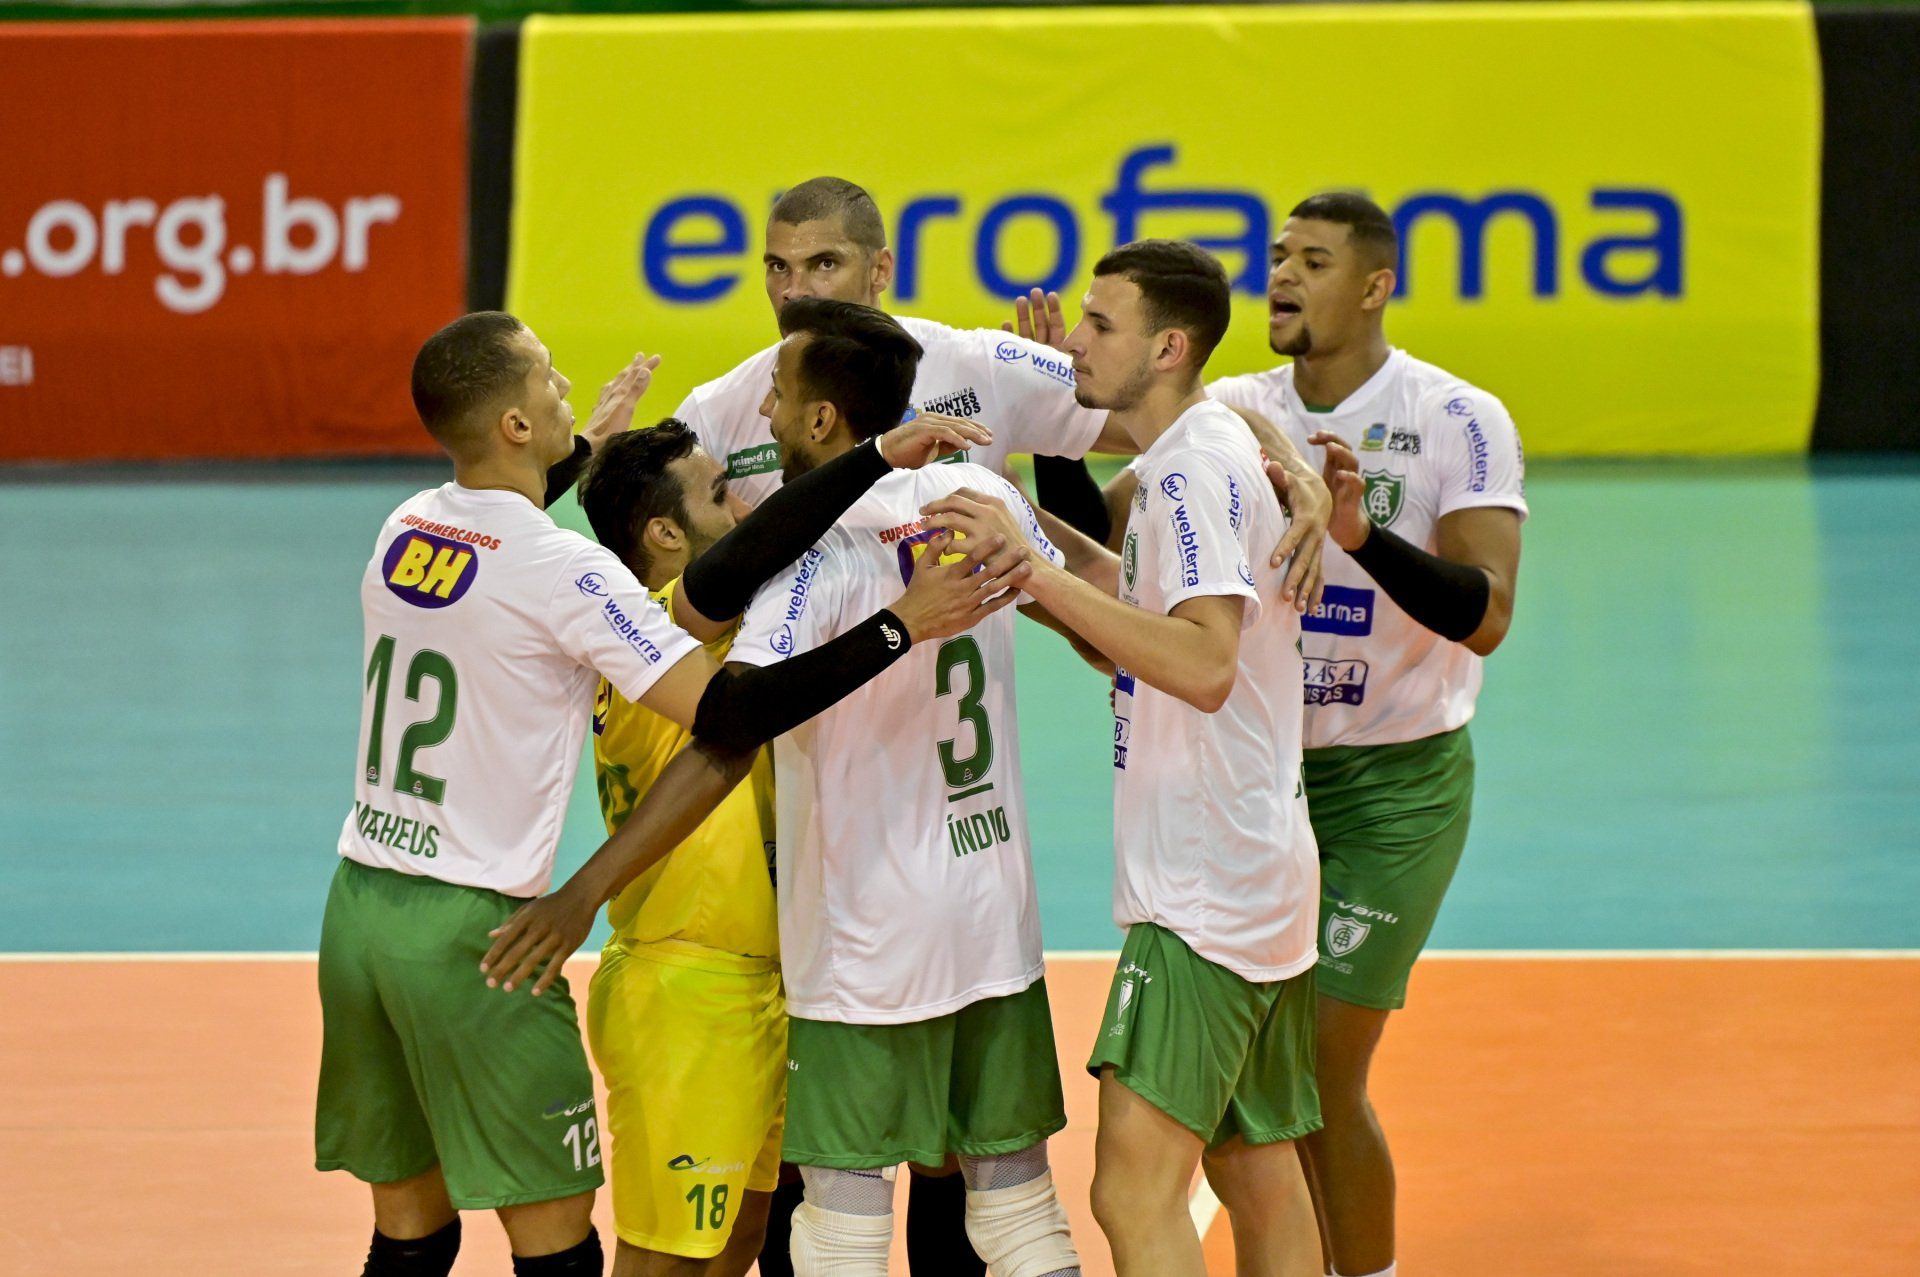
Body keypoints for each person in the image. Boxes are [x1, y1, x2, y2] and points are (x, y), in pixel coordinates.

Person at [315, 309, 1026, 1277]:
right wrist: (901, 620)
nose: (568, 385)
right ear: (513, 423)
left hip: (363, 902)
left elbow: (510, 530)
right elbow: (730, 712)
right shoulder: (584, 583)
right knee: (564, 1243)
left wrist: (578, 456)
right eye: (549, 378)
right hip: (497, 936)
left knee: (415, 1227)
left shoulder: (410, 524)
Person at [925, 241, 1330, 1277]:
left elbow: (1200, 662)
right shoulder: (1185, 458)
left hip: (1203, 883)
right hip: (1261, 859)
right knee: (1258, 1166)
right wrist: (1025, 530)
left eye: (1101, 326)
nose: (1074, 344)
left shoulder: (1193, 470)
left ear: (1170, 346)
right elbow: (1130, 621)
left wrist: (1035, 571)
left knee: (1132, 1188)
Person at [711, 298, 1082, 1277]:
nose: (765, 412)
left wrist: (890, 626)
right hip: (994, 908)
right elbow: (1091, 622)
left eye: (778, 396)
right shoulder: (977, 497)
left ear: (826, 420)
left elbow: (730, 714)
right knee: (1018, 1211)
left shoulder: (815, 553)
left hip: (869, 930)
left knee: (840, 1224)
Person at [1206, 192, 1527, 1277]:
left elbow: (1484, 614)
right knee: (1257, 1076)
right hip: (1260, 780)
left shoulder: (1457, 417)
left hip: (1397, 788)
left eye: (1312, 260)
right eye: (1276, 257)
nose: (1281, 276)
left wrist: (1362, 536)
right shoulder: (1234, 407)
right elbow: (1112, 523)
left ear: (1376, 283)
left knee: (1318, 1062)